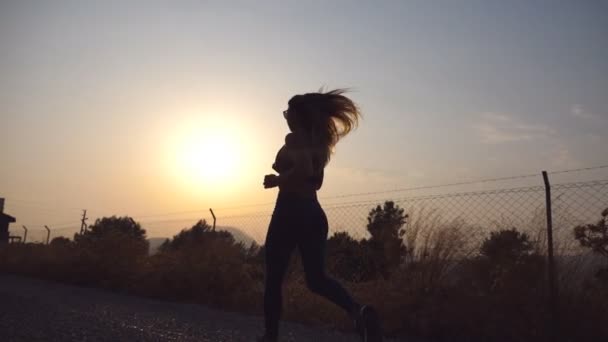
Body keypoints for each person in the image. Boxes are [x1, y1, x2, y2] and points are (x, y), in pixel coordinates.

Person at [259, 89, 383, 342]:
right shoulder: (319, 146)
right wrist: (287, 170)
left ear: (297, 116)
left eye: (287, 112)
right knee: (317, 279)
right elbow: (315, 182)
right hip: (313, 214)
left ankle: (270, 338)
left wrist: (278, 179)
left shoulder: (295, 140)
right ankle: (358, 312)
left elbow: (303, 171)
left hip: (289, 212)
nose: (285, 117)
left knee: (273, 279)